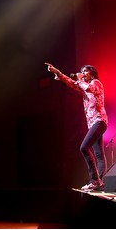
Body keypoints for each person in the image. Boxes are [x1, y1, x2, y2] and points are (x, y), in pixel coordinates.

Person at [45, 62, 108, 191]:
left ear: (92, 73)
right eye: (82, 71)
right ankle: (100, 183)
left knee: (84, 147)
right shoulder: (83, 85)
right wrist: (57, 72)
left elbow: (89, 89)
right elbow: (70, 82)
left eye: (85, 71)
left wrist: (79, 79)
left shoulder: (96, 83)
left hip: (99, 121)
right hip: (94, 124)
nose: (83, 73)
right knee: (99, 154)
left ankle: (95, 180)